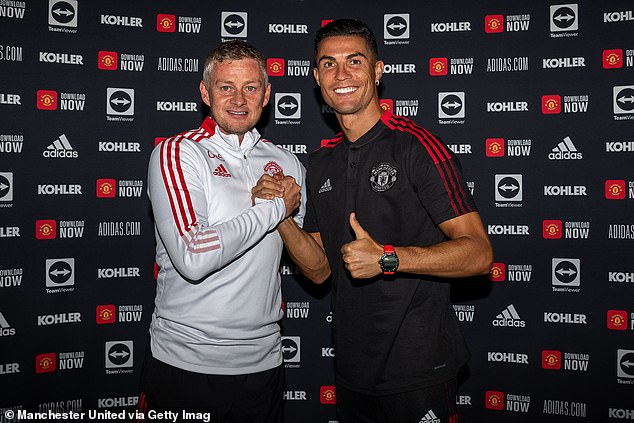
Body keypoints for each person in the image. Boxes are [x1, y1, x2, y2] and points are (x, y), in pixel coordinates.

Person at [253, 19, 493, 423]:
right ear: (316, 78)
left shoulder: (417, 146)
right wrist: (277, 215)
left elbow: (479, 254)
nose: (341, 75)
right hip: (353, 372)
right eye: (328, 64)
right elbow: (319, 270)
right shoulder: (321, 161)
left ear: (378, 71)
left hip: (419, 368)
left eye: (354, 61)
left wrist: (387, 258)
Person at [139, 40, 304, 423]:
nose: (239, 99)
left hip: (264, 365)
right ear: (205, 93)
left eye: (250, 87)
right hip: (185, 363)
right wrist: (275, 209)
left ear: (266, 94)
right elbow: (193, 256)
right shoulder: (178, 152)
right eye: (226, 87)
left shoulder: (288, 162)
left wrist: (281, 217)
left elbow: (315, 265)